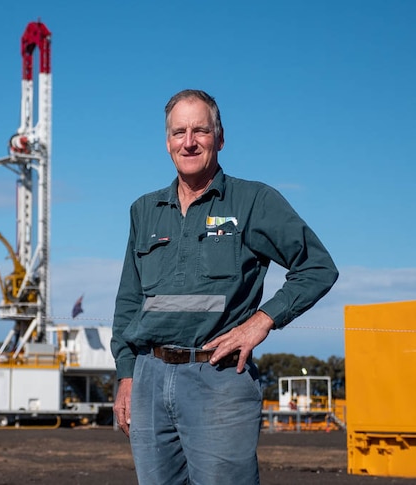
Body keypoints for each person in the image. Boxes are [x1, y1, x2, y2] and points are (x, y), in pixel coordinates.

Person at [111, 89, 338, 484]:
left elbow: (317, 267)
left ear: (220, 137)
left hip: (217, 377)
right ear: (167, 142)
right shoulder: (144, 210)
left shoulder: (253, 201)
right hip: (148, 378)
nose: (189, 141)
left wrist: (262, 321)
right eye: (179, 132)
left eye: (200, 130)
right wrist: (126, 375)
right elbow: (129, 299)